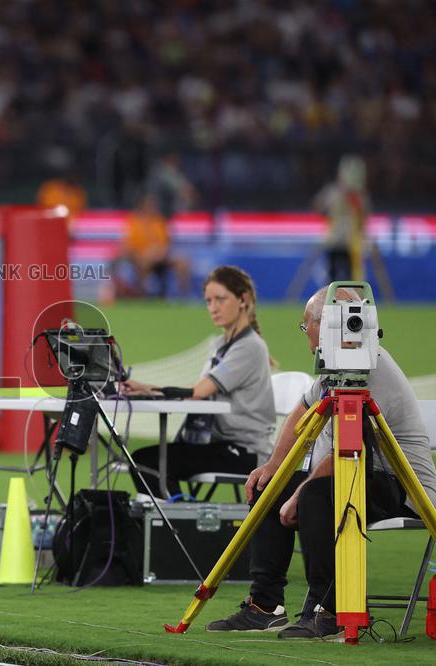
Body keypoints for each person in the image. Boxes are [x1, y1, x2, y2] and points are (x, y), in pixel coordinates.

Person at [207, 286, 436, 639]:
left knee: (315, 494)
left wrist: (299, 492)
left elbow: (352, 447)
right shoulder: (339, 365)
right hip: (360, 471)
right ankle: (264, 606)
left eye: (305, 327)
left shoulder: (370, 367)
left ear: (325, 324)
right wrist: (272, 467)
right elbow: (300, 416)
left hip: (403, 486)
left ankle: (328, 609)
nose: (307, 337)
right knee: (273, 485)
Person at [121, 265, 276, 499]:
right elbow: (196, 391)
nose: (213, 308)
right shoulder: (221, 345)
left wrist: (149, 390)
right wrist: (143, 388)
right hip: (221, 444)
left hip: (244, 451)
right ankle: (179, 521)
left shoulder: (249, 347)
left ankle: (179, 530)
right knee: (146, 460)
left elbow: (196, 393)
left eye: (220, 299)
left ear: (243, 299)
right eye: (208, 301)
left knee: (149, 462)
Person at [313, 154, 369, 282]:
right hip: (334, 239)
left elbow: (364, 215)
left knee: (351, 277)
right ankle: (330, 300)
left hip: (351, 242)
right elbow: (317, 206)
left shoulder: (360, 195)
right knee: (331, 275)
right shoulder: (333, 191)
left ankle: (350, 300)